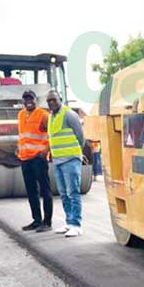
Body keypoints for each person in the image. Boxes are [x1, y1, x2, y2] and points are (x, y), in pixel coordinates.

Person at [46, 90, 85, 237]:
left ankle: (76, 224)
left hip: (70, 160)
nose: (51, 103)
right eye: (49, 101)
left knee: (73, 192)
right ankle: (69, 222)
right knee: (63, 193)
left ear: (60, 99)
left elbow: (80, 136)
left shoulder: (69, 115)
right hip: (58, 161)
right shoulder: (51, 117)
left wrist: (76, 153)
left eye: (54, 100)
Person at [18, 90, 53, 233]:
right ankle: (36, 220)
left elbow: (52, 134)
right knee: (31, 191)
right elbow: (23, 135)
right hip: (25, 159)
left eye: (31, 99)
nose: (28, 101)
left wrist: (45, 151)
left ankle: (47, 222)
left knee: (45, 190)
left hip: (38, 158)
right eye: (26, 99)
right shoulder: (21, 114)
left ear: (36, 100)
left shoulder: (43, 115)